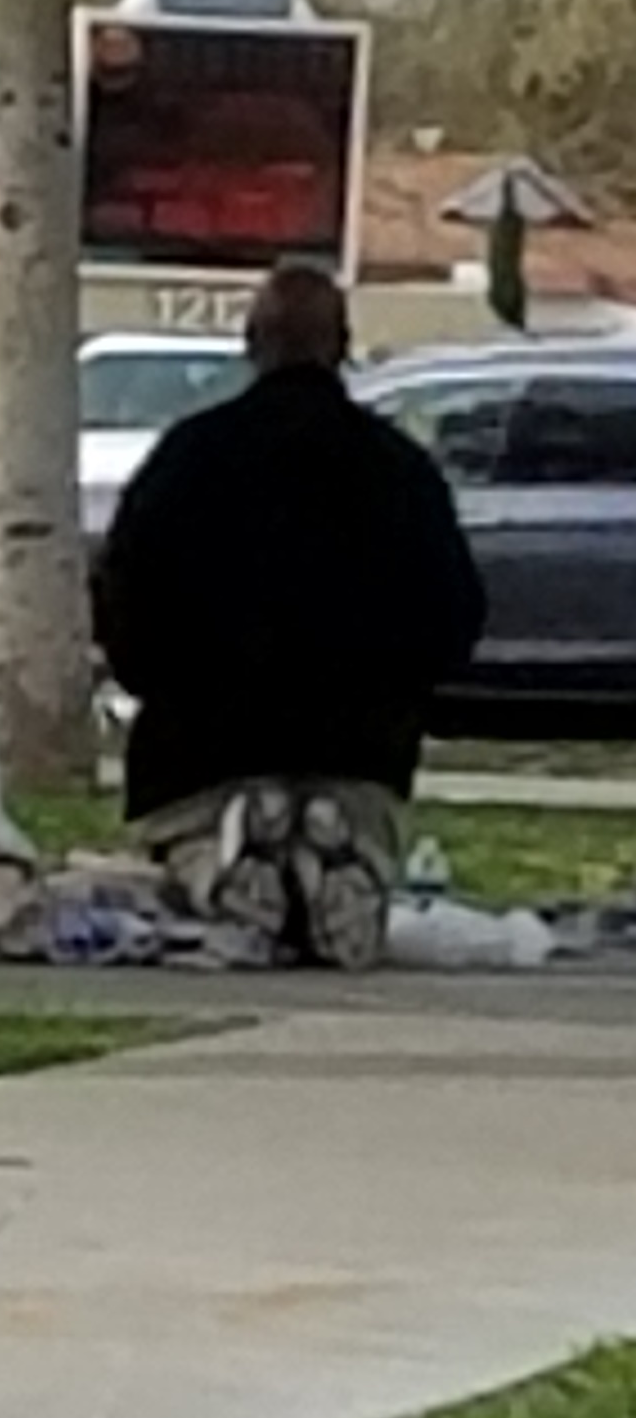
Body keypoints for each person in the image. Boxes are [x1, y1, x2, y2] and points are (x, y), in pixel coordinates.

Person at [93, 264, 486, 968]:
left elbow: (122, 597)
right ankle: (343, 859)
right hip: (359, 749)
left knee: (186, 867)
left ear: (251, 343)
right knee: (356, 819)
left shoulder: (188, 457)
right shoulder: (399, 468)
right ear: (342, 345)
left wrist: (164, 686)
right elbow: (454, 616)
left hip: (201, 752)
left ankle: (232, 866)